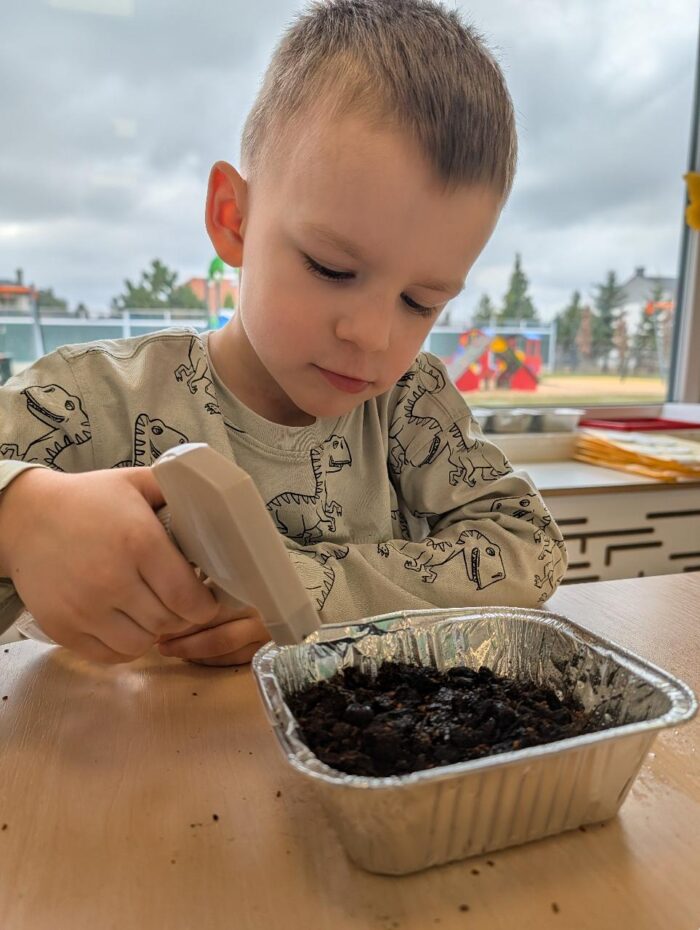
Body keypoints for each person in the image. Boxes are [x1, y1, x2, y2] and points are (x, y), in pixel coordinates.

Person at [0, 0, 567, 667]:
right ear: (233, 219)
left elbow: (531, 546)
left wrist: (310, 591)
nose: (371, 335)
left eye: (421, 302)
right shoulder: (91, 396)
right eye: (331, 268)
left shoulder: (408, 404)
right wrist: (19, 518)